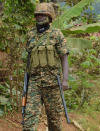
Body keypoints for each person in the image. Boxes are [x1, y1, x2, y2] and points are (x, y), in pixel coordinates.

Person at [23, 2, 69, 131]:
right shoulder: (30, 34)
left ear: (49, 16)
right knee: (29, 119)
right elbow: (29, 58)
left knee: (54, 120)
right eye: (38, 15)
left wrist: (65, 80)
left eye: (43, 15)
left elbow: (64, 57)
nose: (40, 17)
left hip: (53, 83)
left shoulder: (56, 34)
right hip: (34, 83)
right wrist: (26, 79)